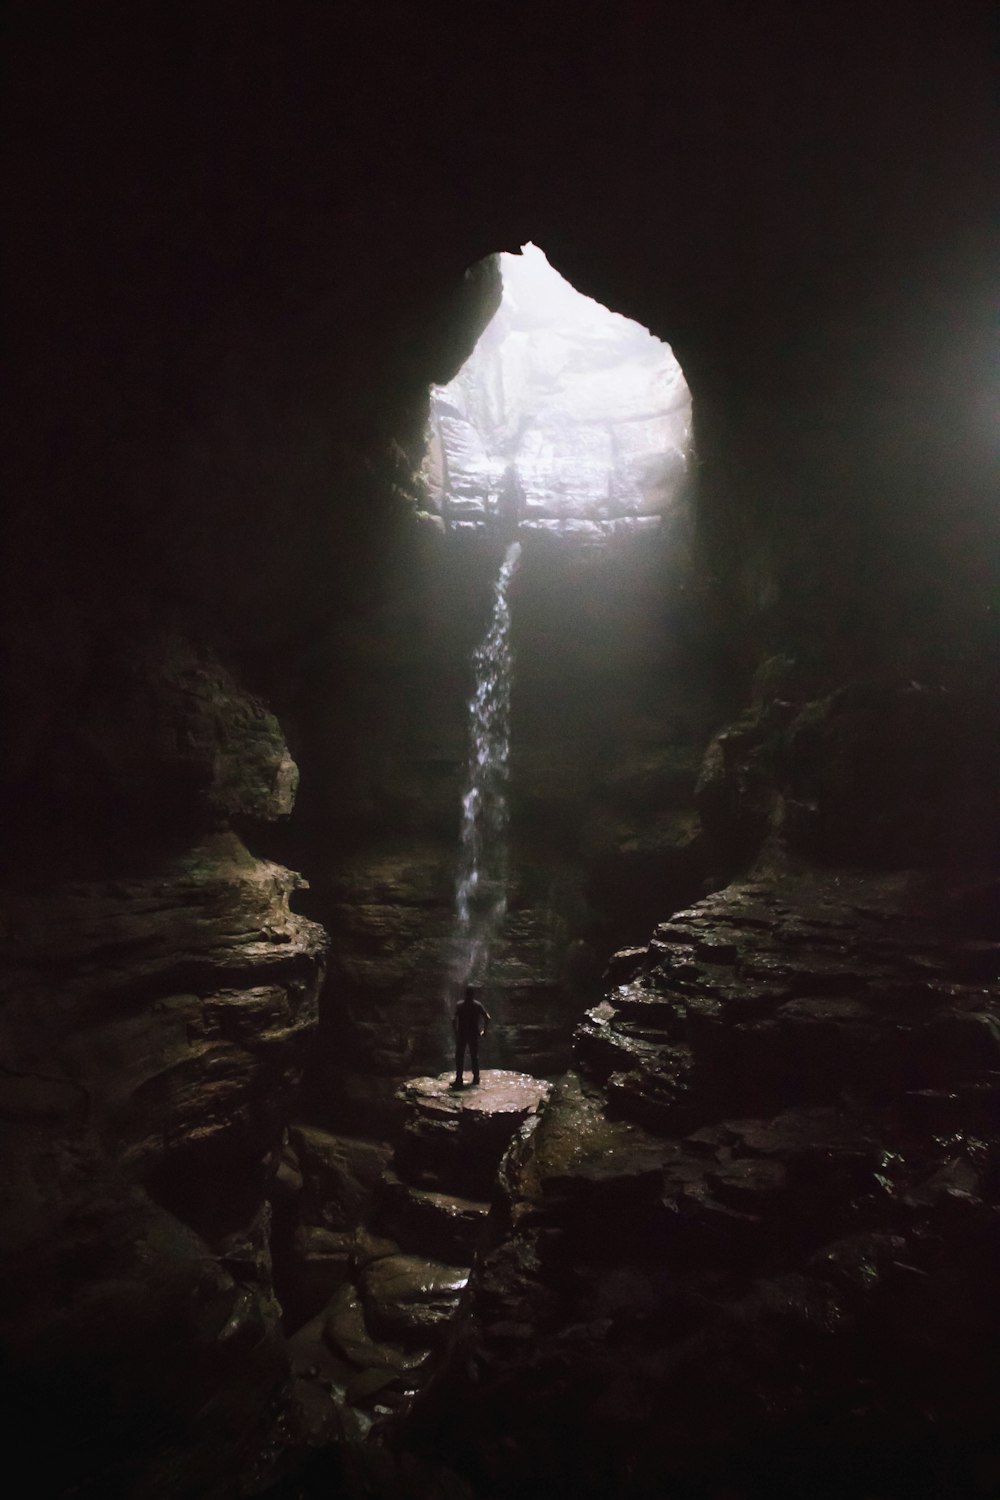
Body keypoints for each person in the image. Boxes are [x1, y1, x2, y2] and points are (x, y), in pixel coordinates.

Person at [452, 985, 491, 1088]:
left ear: (465, 994)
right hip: (473, 1034)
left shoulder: (460, 1005)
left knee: (459, 1056)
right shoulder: (477, 1005)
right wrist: (484, 1031)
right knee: (474, 1056)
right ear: (473, 995)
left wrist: (455, 1033)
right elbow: (487, 1017)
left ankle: (459, 1079)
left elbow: (453, 1020)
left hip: (462, 1034)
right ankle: (476, 1078)